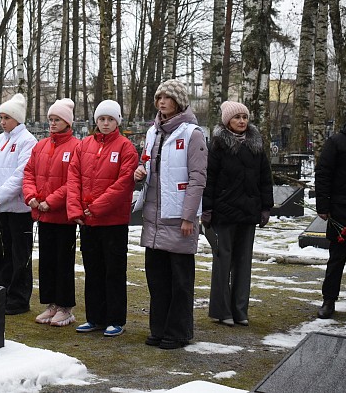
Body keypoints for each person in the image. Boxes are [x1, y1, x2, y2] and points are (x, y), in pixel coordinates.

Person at [133, 79, 207, 349]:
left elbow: (198, 178)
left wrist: (189, 216)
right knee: (157, 278)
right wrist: (138, 173)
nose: (161, 102)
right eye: (159, 98)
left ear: (179, 102)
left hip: (178, 218)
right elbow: (146, 164)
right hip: (154, 217)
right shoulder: (153, 132)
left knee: (180, 280)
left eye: (167, 98)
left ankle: (178, 332)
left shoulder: (192, 134)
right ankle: (159, 328)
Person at [67, 99, 139, 337]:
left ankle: (116, 318)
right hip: (88, 221)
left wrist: (96, 207)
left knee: (114, 270)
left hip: (113, 221)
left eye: (110, 119)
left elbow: (123, 183)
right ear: (95, 121)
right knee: (93, 269)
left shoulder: (125, 147)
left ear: (117, 121)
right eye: (101, 119)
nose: (105, 123)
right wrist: (76, 209)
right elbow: (74, 177)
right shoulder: (84, 145)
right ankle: (95, 317)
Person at [202, 101, 273, 326]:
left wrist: (265, 208)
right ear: (227, 121)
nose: (242, 121)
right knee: (223, 262)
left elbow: (265, 178)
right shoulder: (217, 145)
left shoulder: (256, 144)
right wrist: (207, 209)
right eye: (237, 117)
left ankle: (240, 310)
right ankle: (222, 311)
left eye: (244, 117)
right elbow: (209, 179)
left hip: (249, 212)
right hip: (224, 213)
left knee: (244, 263)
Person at [23, 98, 81, 326]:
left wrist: (52, 200)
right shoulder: (41, 145)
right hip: (43, 213)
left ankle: (65, 306)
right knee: (46, 261)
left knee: (63, 261)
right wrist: (32, 196)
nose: (52, 123)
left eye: (57, 119)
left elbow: (73, 181)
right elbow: (29, 173)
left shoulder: (76, 146)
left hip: (63, 216)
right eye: (51, 119)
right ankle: (51, 304)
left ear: (67, 122)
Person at [0, 93, 38, 315]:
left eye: (7, 117)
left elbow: (21, 175)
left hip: (18, 208)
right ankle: (1, 292)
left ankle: (19, 298)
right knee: (2, 253)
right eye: (1, 117)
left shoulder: (27, 141)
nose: (3, 121)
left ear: (17, 118)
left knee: (19, 255)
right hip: (0, 207)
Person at [316, 114, 346, 319]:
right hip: (342, 210)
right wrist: (323, 205)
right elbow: (323, 173)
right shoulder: (336, 142)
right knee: (337, 258)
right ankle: (329, 300)